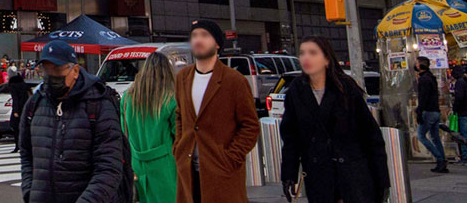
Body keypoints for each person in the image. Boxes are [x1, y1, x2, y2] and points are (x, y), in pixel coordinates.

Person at [277, 37, 389, 203]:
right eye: (302, 53)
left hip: (352, 173)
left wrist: (382, 180)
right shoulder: (297, 90)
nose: (306, 58)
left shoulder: (346, 87)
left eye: (313, 53)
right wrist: (289, 175)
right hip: (319, 174)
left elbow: (371, 135)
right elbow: (291, 138)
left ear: (327, 59)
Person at [19, 38, 125, 203]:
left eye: (57, 69)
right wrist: (30, 191)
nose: (51, 76)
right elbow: (26, 153)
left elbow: (109, 168)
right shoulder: (35, 103)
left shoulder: (99, 105)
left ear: (75, 70)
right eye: (46, 70)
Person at [172, 20, 260, 203]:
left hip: (221, 172)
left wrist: (230, 158)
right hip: (188, 171)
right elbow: (180, 116)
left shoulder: (233, 80)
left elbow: (250, 125)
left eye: (204, 35)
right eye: (195, 35)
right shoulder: (182, 78)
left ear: (217, 43)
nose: (198, 40)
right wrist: (178, 148)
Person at [120, 51, 182, 203]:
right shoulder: (170, 99)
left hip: (137, 165)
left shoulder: (127, 97)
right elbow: (180, 135)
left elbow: (123, 133)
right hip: (166, 166)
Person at [414, 57, 450, 174]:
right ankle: (441, 161)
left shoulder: (424, 80)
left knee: (421, 136)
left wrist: (419, 111)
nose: (415, 65)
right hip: (435, 111)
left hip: (428, 111)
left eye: (417, 63)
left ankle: (440, 158)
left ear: (420, 66)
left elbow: (423, 97)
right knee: (435, 137)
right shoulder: (431, 78)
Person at [4, 68, 34, 145]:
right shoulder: (23, 83)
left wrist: (16, 111)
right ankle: (24, 143)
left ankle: (18, 144)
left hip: (18, 108)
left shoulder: (12, 85)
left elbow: (15, 98)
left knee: (15, 126)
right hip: (25, 106)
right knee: (24, 126)